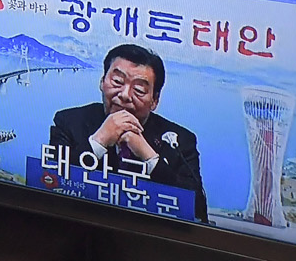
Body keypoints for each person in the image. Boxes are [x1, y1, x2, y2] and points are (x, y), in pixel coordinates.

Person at [49, 44, 207, 221]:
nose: (125, 95)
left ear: (154, 101)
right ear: (102, 82)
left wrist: (149, 156)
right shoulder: (69, 121)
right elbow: (51, 184)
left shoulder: (179, 140)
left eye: (139, 90)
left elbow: (197, 211)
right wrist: (99, 141)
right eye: (117, 82)